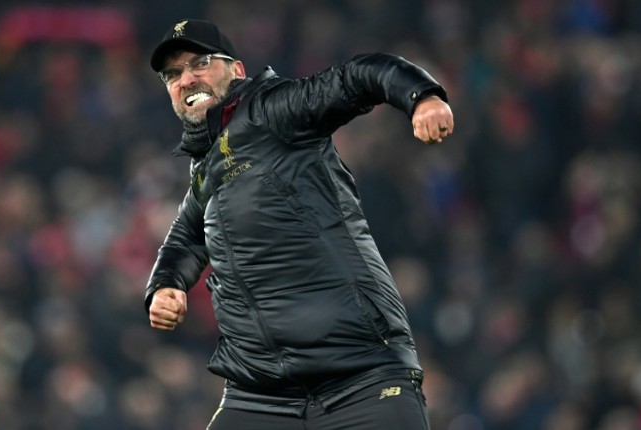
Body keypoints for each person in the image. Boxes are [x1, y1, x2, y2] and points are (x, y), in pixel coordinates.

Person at [144, 18, 454, 430]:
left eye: (200, 63)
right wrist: (165, 285)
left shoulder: (275, 108)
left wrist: (422, 96)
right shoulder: (206, 167)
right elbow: (187, 234)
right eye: (173, 74)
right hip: (260, 394)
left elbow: (357, 77)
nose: (186, 79)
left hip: (358, 377)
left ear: (236, 70)